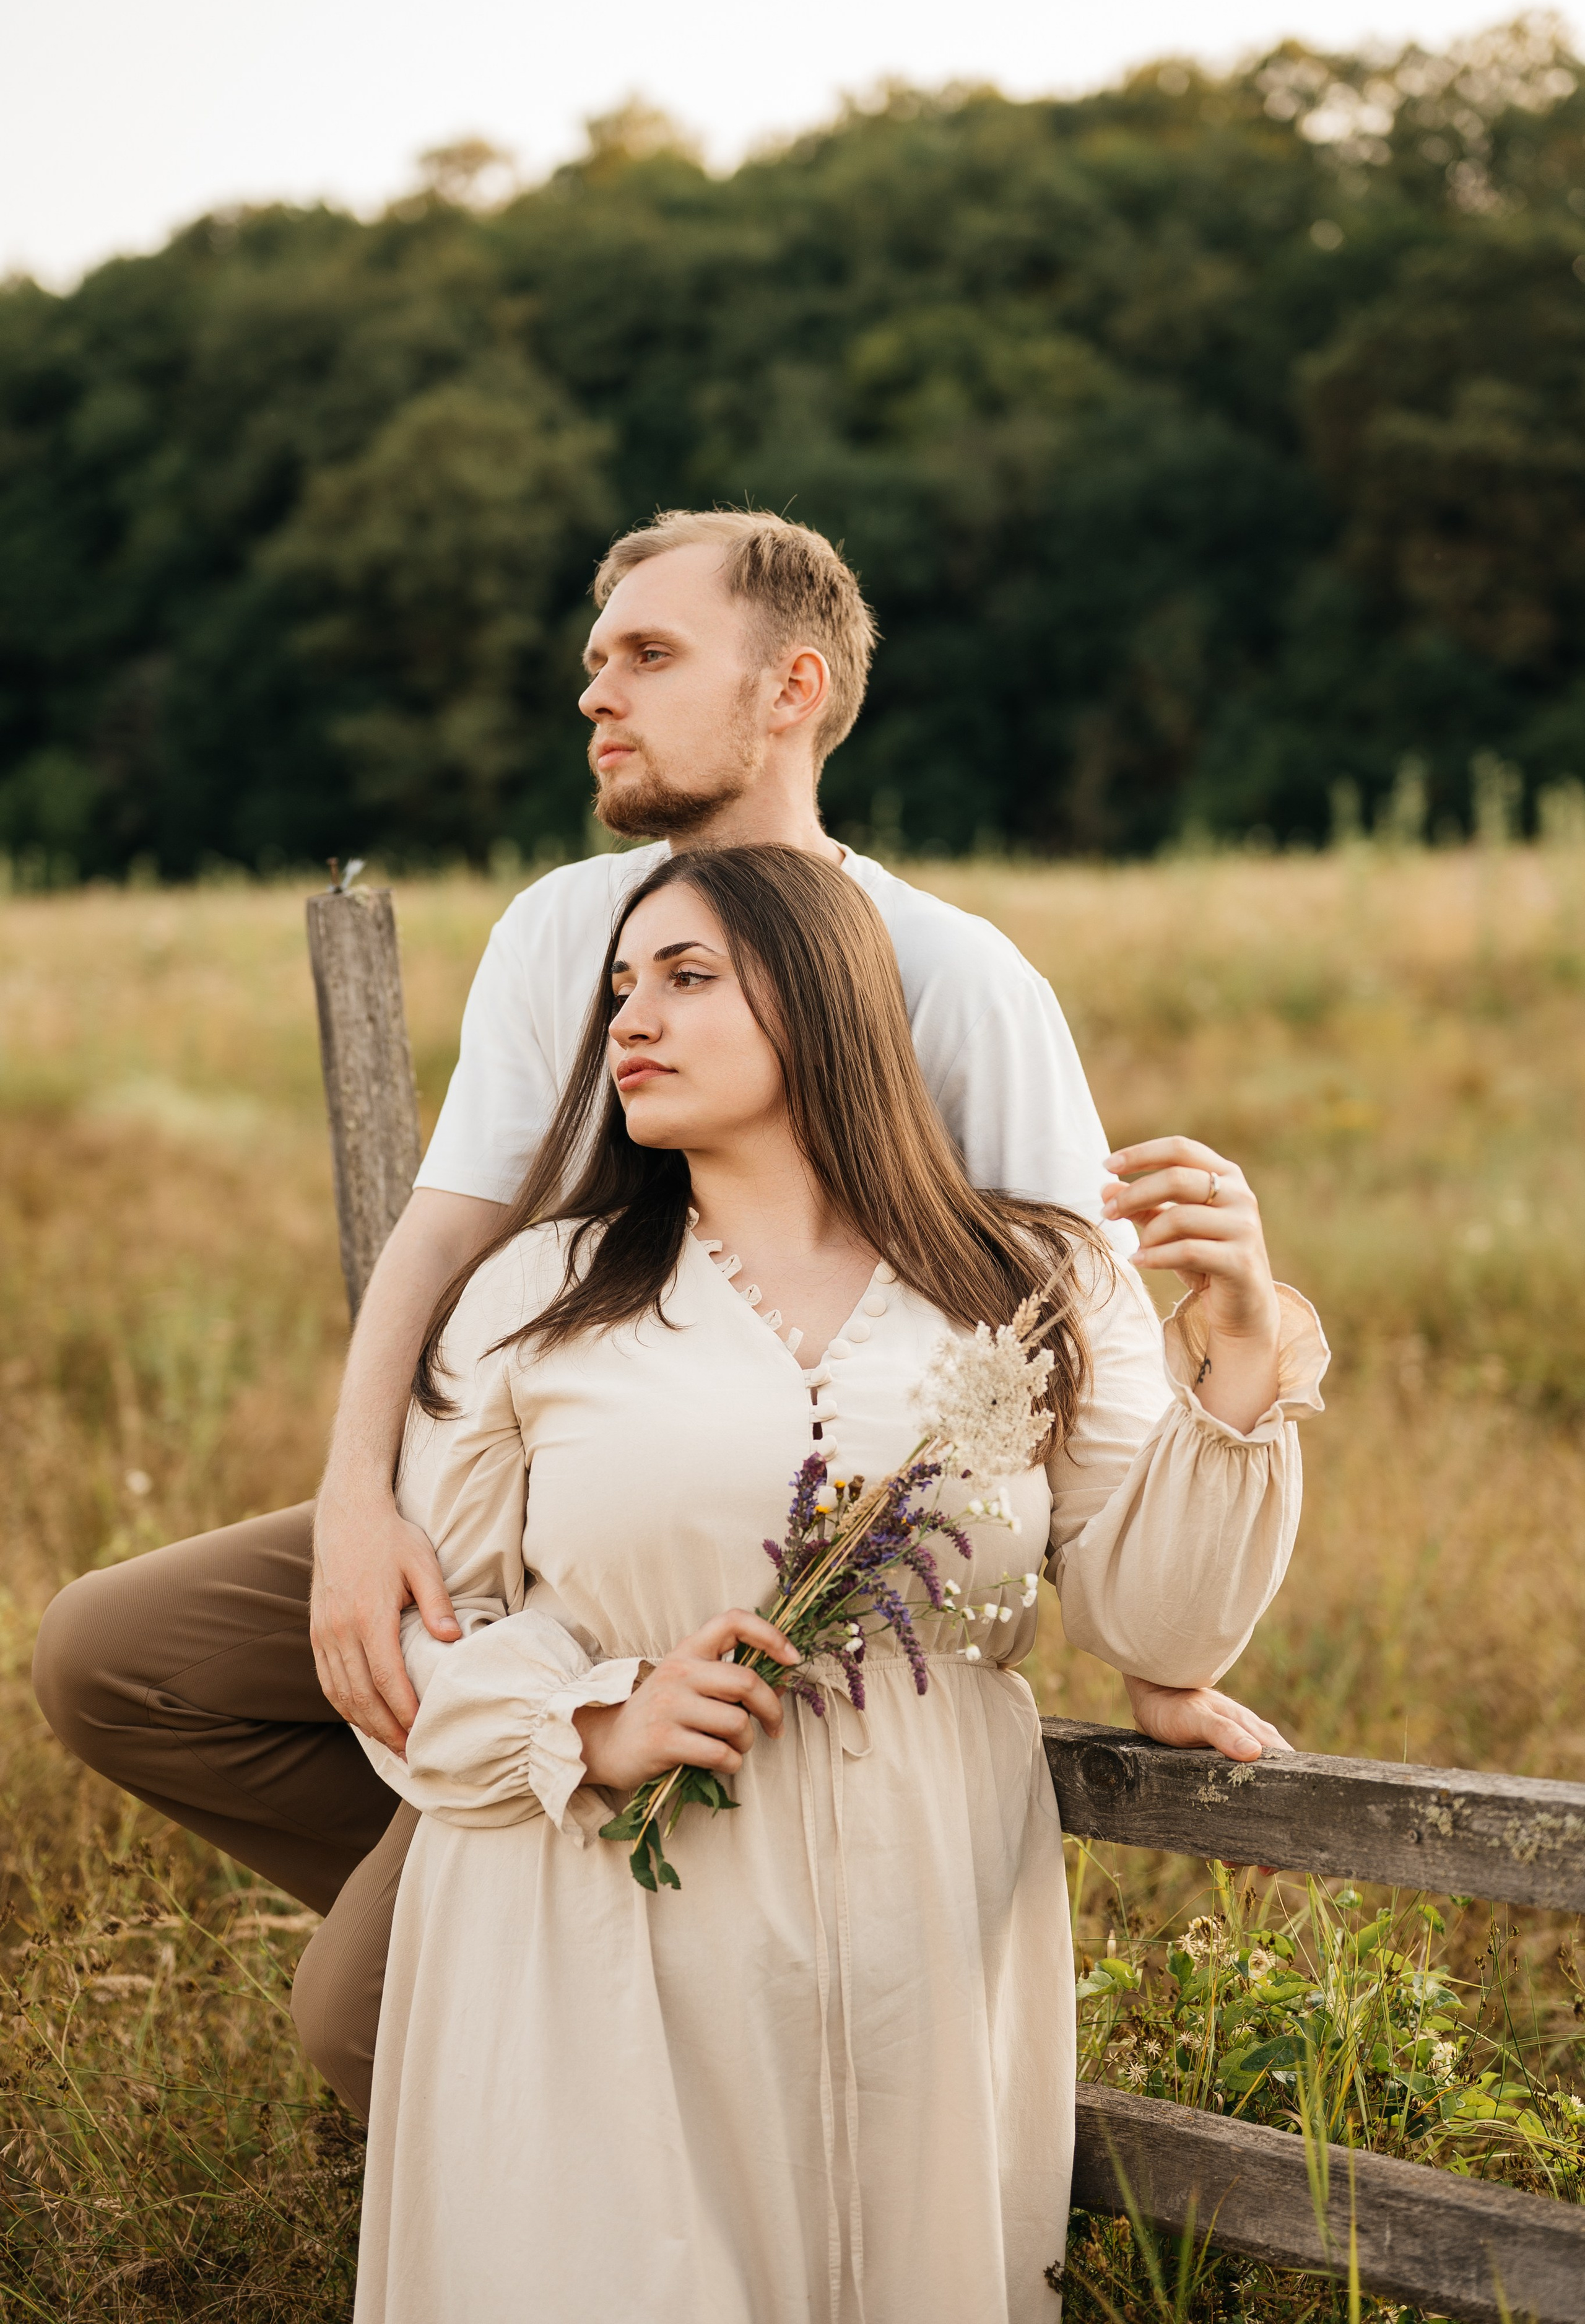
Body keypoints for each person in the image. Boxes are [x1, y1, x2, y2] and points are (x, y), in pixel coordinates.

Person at [32, 508, 1290, 2122]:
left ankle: (549, 1941)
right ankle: (560, 1908)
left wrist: (1158, 1647)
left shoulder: (952, 974)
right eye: (591, 662)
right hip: (527, 1499)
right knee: (114, 1659)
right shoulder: (567, 925)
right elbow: (446, 1231)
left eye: (647, 654)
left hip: (752, 1555)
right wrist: (357, 1501)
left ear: (793, 688)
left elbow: (1067, 1324)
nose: (595, 694)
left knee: (361, 2024)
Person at [343, 842, 1327, 2324]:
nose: (629, 1021)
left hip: (926, 1936)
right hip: (597, 1930)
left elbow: (1160, 1624)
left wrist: (1241, 1343)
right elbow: (404, 1659)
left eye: (686, 979)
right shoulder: (534, 1298)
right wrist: (593, 1724)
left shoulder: (1039, 1281)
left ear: (823, 1004)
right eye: (621, 987)